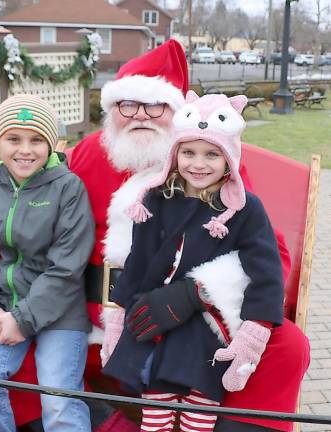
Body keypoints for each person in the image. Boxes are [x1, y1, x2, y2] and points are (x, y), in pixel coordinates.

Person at [68, 40, 309, 432]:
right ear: (112, 111)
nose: (139, 116)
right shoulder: (90, 153)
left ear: (178, 112)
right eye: (127, 105)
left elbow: (269, 253)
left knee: (289, 347)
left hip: (190, 315)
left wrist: (196, 293)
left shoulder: (208, 160)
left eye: (155, 106)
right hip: (101, 315)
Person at [101, 91, 285, 432]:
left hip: (204, 327)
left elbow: (267, 274)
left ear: (229, 158)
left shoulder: (244, 209)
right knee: (155, 406)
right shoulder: (156, 200)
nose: (198, 164)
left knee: (198, 408)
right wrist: (118, 316)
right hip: (155, 321)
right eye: (188, 152)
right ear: (175, 154)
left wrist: (253, 333)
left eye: (212, 154)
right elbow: (137, 263)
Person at [0, 94, 95, 432]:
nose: (25, 150)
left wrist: (23, 320)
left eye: (37, 140)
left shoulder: (68, 188)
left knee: (58, 400)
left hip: (60, 309)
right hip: (2, 306)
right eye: (13, 139)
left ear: (50, 145)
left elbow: (67, 267)